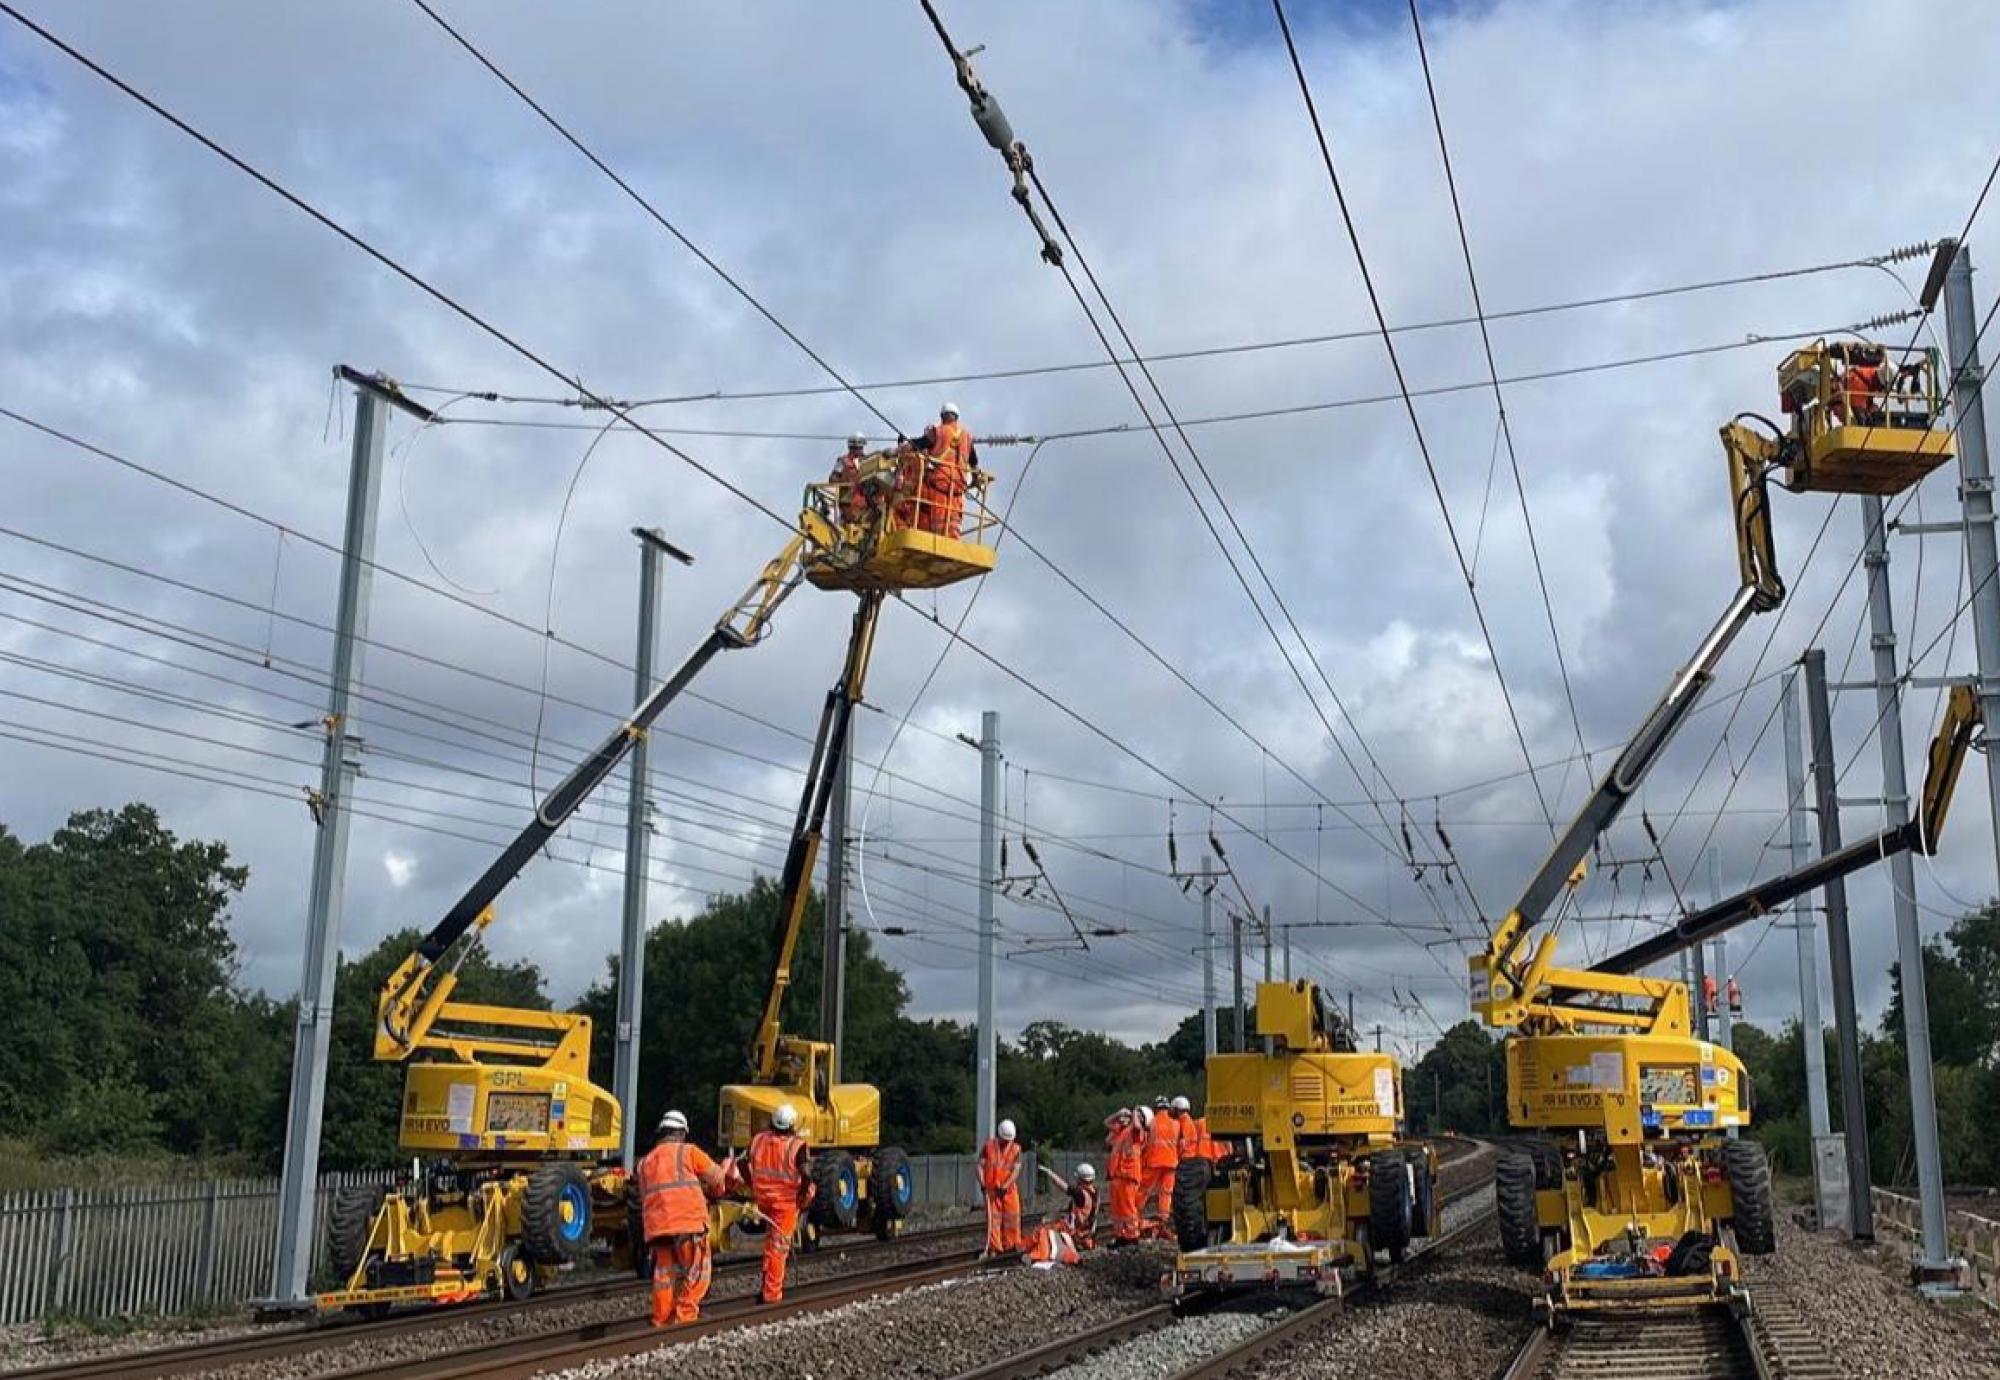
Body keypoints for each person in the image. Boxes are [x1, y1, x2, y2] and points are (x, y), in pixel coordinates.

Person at [635, 1109, 727, 1327]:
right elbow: (716, 1177)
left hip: (658, 1229)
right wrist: (717, 1192)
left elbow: (644, 1195)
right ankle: (684, 1319)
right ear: (682, 1134)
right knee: (698, 1273)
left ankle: (662, 1320)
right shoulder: (688, 1152)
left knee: (664, 1276)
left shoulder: (644, 1163)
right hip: (689, 1225)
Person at [747, 1102, 815, 1304]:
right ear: (792, 1124)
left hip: (763, 1200)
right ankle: (772, 1294)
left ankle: (766, 1284)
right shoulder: (797, 1145)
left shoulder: (758, 1140)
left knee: (770, 1244)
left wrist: (752, 1185)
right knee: (778, 1247)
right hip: (784, 1203)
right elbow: (806, 1173)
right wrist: (803, 1195)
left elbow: (742, 1162)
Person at [978, 1118, 1024, 1256]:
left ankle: (1011, 1245)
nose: (1007, 1142)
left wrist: (1005, 1185)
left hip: (1008, 1191)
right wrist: (983, 1184)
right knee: (994, 1221)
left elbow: (1016, 1170)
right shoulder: (989, 1147)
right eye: (1005, 1139)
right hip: (992, 1191)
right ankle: (995, 1248)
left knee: (1012, 1218)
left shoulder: (1016, 1149)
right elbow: (979, 1166)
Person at [1140, 1095, 1182, 1238]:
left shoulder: (1151, 1123)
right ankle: (1163, 1219)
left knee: (1144, 1190)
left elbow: (1144, 1143)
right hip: (1171, 1163)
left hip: (1154, 1162)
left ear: (1156, 1108)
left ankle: (1134, 1212)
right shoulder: (1176, 1124)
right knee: (1166, 1192)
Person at [1037, 1161, 1099, 1249]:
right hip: (1088, 1232)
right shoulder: (1094, 1192)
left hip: (1077, 1231)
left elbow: (1062, 1186)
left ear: (1080, 1179)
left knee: (1044, 1230)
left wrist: (1049, 1172)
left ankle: (1038, 1252)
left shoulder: (1080, 1194)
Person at [1104, 1108, 1143, 1245]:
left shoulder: (1135, 1132)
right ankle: (1121, 1236)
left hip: (1128, 1177)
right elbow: (1106, 1123)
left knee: (1128, 1209)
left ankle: (1132, 1236)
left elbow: (1137, 1126)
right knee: (1117, 1211)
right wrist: (1118, 1113)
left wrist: (1134, 1113)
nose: (1124, 1118)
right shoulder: (1119, 1133)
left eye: (1127, 1117)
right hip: (1117, 1177)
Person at [830, 434, 870, 523]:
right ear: (850, 447)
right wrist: (845, 481)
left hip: (866, 501)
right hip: (848, 501)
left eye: (860, 448)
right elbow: (832, 478)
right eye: (854, 448)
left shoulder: (868, 461)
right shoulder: (843, 461)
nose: (857, 450)